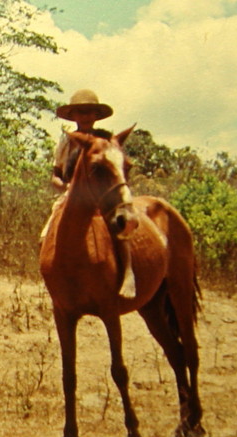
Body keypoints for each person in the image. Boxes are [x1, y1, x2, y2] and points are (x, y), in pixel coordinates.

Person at [44, 89, 136, 299]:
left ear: (96, 116)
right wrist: (65, 187)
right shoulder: (66, 141)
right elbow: (56, 175)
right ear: (73, 116)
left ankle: (128, 271)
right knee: (47, 231)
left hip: (100, 196)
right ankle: (54, 275)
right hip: (72, 195)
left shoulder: (105, 139)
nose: (85, 116)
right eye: (81, 112)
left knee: (117, 227)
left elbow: (115, 170)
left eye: (90, 112)